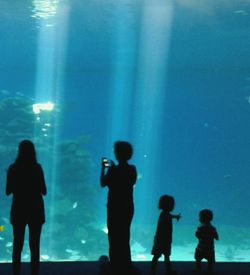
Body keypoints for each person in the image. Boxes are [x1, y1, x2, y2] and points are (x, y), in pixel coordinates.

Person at [6, 140, 47, 275]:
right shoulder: (37, 168)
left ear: (19, 151)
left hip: (19, 209)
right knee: (34, 246)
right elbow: (44, 191)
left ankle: (15, 273)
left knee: (17, 245)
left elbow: (7, 191)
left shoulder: (13, 168)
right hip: (35, 209)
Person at [100, 141, 137, 274]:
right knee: (124, 235)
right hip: (127, 207)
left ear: (117, 154)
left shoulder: (113, 169)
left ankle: (114, 265)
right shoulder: (132, 169)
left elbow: (103, 183)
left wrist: (103, 168)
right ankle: (126, 265)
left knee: (114, 237)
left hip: (114, 208)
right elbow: (130, 182)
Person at [150, 195, 180, 275]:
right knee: (164, 256)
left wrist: (175, 216)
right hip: (163, 240)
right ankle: (167, 270)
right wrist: (175, 217)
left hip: (161, 239)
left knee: (158, 256)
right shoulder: (165, 215)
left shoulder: (164, 214)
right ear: (170, 205)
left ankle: (154, 270)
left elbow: (170, 216)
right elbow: (169, 217)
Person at [194, 209, 219, 273]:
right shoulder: (213, 228)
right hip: (210, 249)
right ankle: (210, 270)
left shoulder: (200, 227)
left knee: (198, 259)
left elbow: (197, 235)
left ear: (201, 218)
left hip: (200, 248)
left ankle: (198, 269)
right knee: (210, 261)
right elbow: (216, 237)